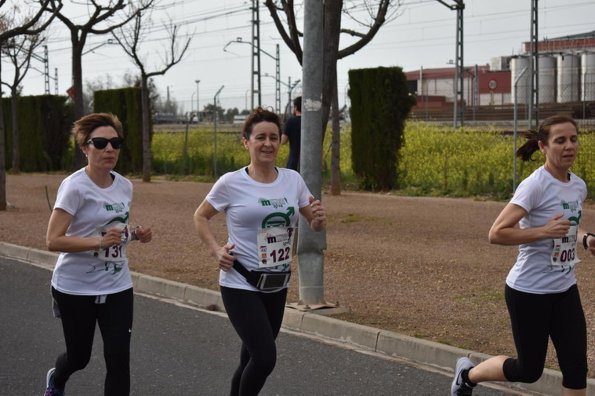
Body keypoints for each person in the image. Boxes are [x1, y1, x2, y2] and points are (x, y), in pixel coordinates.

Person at [451, 115, 594, 396]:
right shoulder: (535, 185)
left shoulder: (578, 185)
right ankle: (467, 376)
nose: (569, 146)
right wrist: (543, 232)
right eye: (560, 140)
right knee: (529, 371)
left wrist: (585, 238)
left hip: (565, 288)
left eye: (574, 139)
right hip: (528, 291)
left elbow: (568, 227)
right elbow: (497, 233)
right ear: (543, 147)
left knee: (576, 369)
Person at [193, 106, 326, 396]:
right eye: (261, 137)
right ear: (246, 141)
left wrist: (317, 220)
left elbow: (312, 223)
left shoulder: (293, 179)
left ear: (281, 141)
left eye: (274, 137)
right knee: (265, 358)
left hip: (277, 283)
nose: (268, 143)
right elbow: (200, 216)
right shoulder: (231, 182)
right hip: (240, 281)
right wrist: (216, 250)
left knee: (250, 359)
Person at [44, 113, 153, 396]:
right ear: (84, 147)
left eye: (115, 143)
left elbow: (114, 228)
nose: (109, 149)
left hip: (117, 285)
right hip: (75, 287)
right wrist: (98, 242)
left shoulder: (125, 186)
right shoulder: (74, 187)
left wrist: (135, 233)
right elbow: (53, 240)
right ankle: (57, 378)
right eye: (101, 143)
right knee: (79, 358)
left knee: (118, 361)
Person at [281, 96, 302, 171]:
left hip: (294, 161)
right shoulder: (311, 122)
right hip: (311, 160)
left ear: (296, 107)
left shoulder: (291, 121)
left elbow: (283, 141)